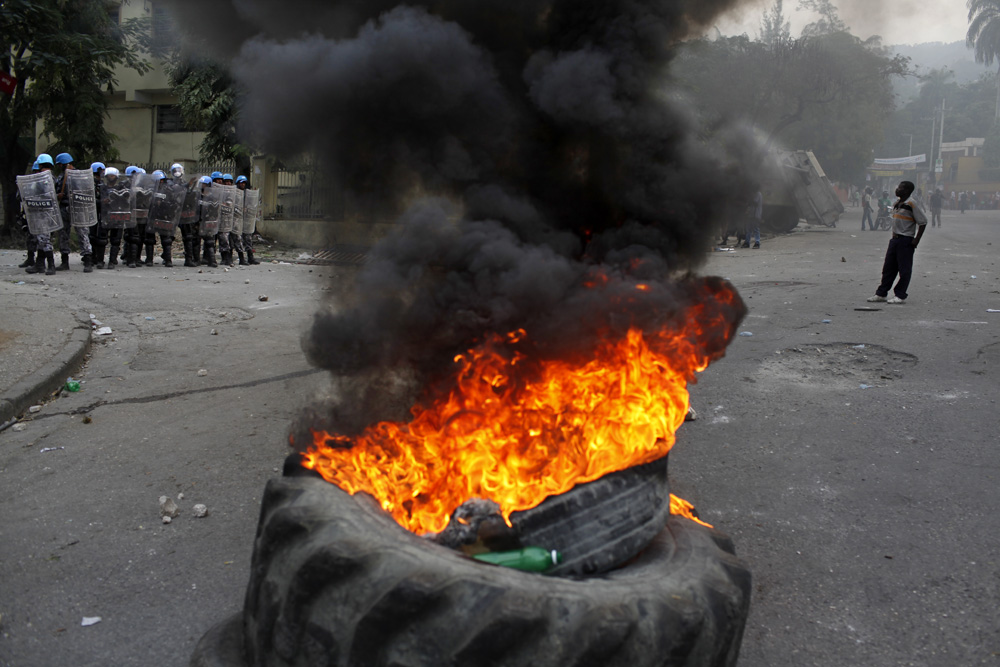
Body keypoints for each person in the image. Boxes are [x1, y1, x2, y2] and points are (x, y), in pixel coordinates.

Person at [866, 180, 928, 305]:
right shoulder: (897, 204)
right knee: (888, 268)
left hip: (906, 240)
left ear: (907, 191)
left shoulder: (911, 203)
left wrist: (916, 240)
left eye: (901, 188)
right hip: (895, 239)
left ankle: (900, 295)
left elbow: (923, 222)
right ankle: (881, 293)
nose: (897, 189)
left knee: (904, 269)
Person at [54, 152, 94, 272]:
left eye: (60, 164)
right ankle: (64, 261)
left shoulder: (79, 176)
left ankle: (88, 261)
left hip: (78, 208)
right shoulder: (61, 177)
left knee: (82, 234)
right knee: (63, 235)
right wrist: (58, 195)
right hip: (64, 207)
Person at [24, 154, 58, 275]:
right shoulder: (52, 177)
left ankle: (51, 265)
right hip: (46, 213)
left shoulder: (45, 178)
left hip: (43, 213)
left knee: (45, 240)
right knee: (41, 239)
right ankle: (39, 265)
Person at [236, 175, 261, 264]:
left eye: (244, 183)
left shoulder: (248, 194)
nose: (242, 184)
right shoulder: (235, 193)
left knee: (248, 239)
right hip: (237, 220)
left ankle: (250, 257)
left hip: (246, 220)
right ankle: (241, 258)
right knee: (238, 240)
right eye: (241, 183)